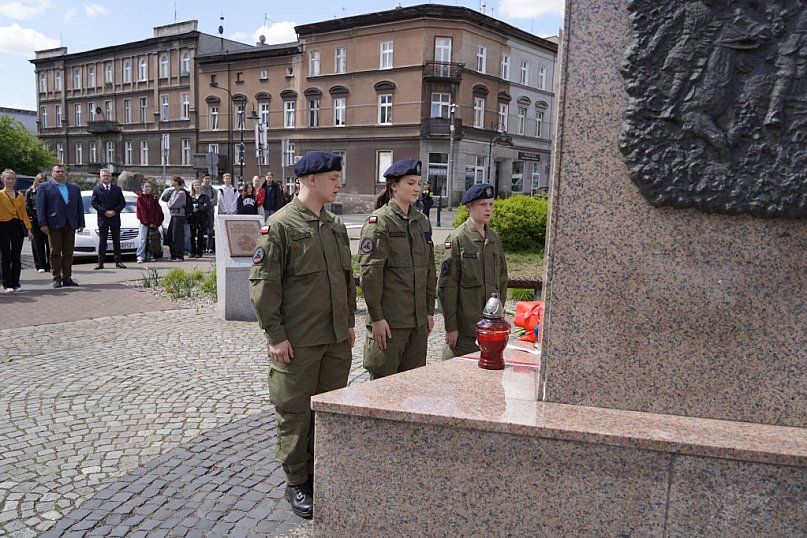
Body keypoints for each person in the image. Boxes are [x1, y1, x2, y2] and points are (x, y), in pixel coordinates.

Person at [249, 151, 356, 520]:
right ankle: (297, 481)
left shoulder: (335, 225)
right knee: (295, 412)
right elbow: (264, 286)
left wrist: (349, 323)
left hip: (334, 339)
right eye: (332, 178)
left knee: (328, 410)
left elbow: (346, 280)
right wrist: (275, 335)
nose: (338, 183)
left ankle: (322, 470)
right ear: (311, 179)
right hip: (298, 341)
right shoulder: (279, 226)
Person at [358, 158, 436, 380]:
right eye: (411, 183)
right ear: (394, 186)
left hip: (418, 322)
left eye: (419, 183)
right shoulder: (379, 223)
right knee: (382, 387)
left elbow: (429, 270)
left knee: (412, 386)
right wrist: (377, 318)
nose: (417, 189)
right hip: (390, 323)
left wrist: (429, 311)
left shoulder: (422, 221)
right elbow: (370, 275)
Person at [438, 183, 508, 360]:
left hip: (490, 327)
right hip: (465, 328)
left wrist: (499, 314)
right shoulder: (458, 238)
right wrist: (451, 327)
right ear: (469, 206)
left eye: (491, 204)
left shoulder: (494, 239)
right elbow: (448, 286)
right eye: (482, 205)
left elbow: (502, 279)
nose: (488, 209)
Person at [36, 164, 85, 288]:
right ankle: (56, 277)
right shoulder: (44, 187)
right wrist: (42, 223)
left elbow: (79, 206)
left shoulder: (74, 188)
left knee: (68, 252)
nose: (60, 173)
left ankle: (67, 277)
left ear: (66, 173)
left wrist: (81, 223)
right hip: (54, 223)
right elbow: (41, 207)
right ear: (52, 174)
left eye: (62, 171)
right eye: (57, 171)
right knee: (55, 251)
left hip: (70, 223)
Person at [0, 169, 33, 293]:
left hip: (17, 225)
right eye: (8, 178)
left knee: (16, 256)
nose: (10, 181)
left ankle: (16, 283)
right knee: (5, 255)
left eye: (12, 179)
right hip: (3, 225)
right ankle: (7, 283)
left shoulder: (20, 195)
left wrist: (29, 229)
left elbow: (23, 213)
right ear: (3, 180)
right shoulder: (0, 194)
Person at [91, 168, 127, 270]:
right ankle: (100, 263)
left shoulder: (117, 189)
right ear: (100, 177)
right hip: (103, 218)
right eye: (103, 176)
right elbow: (94, 203)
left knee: (116, 240)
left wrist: (115, 211)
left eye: (107, 175)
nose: (105, 177)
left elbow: (122, 202)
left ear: (111, 177)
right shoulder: (97, 189)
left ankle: (118, 261)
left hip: (115, 218)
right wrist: (104, 211)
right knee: (103, 241)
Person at [25, 173, 50, 273]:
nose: (41, 183)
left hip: (47, 220)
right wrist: (36, 217)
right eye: (40, 181)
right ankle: (40, 265)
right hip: (35, 220)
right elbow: (27, 206)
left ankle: (50, 264)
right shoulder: (30, 191)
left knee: (49, 243)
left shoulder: (49, 191)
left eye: (43, 181)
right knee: (37, 244)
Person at [135, 180, 164, 263]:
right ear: (143, 188)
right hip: (144, 222)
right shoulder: (140, 198)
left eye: (149, 187)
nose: (147, 188)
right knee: (143, 239)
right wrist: (147, 222)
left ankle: (150, 255)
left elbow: (157, 210)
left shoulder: (153, 198)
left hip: (153, 223)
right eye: (146, 186)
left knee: (152, 239)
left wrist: (155, 221)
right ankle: (140, 255)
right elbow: (141, 211)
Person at [188, 179, 210, 258]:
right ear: (193, 187)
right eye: (195, 185)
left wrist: (198, 209)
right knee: (192, 235)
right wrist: (191, 209)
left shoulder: (205, 197)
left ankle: (199, 252)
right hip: (192, 218)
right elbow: (187, 205)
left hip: (201, 217)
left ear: (201, 186)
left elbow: (206, 206)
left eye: (198, 185)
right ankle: (192, 251)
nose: (197, 186)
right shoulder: (190, 197)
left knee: (200, 235)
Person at [167, 176, 187, 261]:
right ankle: (173, 254)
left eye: (172, 180)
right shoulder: (174, 192)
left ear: (177, 182)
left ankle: (179, 255)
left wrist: (170, 205)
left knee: (177, 236)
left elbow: (173, 204)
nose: (171, 182)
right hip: (173, 215)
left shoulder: (181, 193)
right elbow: (169, 202)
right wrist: (170, 205)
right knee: (170, 235)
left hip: (179, 216)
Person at [200, 174, 217, 253]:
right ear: (203, 179)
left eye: (209, 178)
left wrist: (208, 201)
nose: (207, 180)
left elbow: (215, 201)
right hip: (202, 211)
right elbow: (200, 200)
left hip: (210, 211)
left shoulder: (213, 190)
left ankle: (209, 248)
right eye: (206, 178)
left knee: (210, 231)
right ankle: (202, 247)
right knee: (201, 230)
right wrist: (207, 200)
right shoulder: (200, 189)